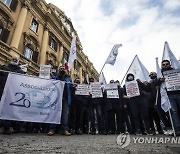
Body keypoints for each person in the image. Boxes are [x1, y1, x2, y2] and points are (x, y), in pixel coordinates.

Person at [0, 55, 24, 135]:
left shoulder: (20, 72)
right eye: (13, 59)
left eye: (16, 59)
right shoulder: (3, 68)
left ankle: (6, 128)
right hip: (1, 91)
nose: (14, 60)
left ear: (18, 61)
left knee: (8, 111)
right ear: (11, 59)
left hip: (12, 94)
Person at [47, 65, 72, 136]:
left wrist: (74, 86)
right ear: (58, 70)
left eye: (63, 68)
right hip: (56, 97)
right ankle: (52, 129)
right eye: (61, 68)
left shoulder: (68, 78)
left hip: (66, 98)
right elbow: (50, 82)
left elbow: (70, 88)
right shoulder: (55, 77)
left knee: (65, 114)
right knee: (54, 112)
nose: (62, 69)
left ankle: (65, 129)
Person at [160, 60, 180, 136]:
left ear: (169, 64)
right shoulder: (160, 74)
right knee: (174, 111)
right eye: (164, 64)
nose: (165, 65)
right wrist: (160, 80)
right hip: (169, 95)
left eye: (167, 64)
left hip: (178, 93)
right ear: (162, 66)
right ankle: (177, 129)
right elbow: (156, 83)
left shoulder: (176, 71)